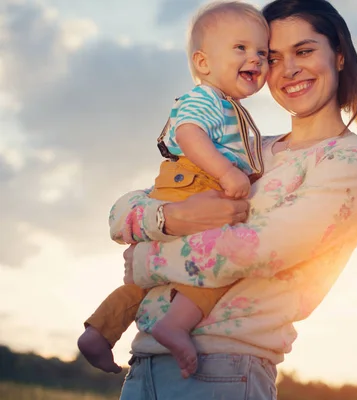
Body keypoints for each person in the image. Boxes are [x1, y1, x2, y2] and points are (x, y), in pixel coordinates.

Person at [112, 0, 357, 398]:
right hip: (145, 361)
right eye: (272, 57)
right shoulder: (247, 148)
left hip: (225, 369)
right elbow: (123, 211)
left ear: (339, 55)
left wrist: (144, 258)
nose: (288, 69)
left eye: (304, 51)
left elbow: (256, 250)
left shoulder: (351, 158)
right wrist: (171, 217)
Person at [77, 1, 269, 379]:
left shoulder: (227, 105)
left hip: (186, 185)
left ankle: (99, 331)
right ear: (203, 63)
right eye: (241, 48)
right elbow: (189, 134)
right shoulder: (208, 98)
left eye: (263, 52)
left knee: (147, 279)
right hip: (197, 183)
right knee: (219, 266)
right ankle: (174, 326)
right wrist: (227, 172)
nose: (256, 59)